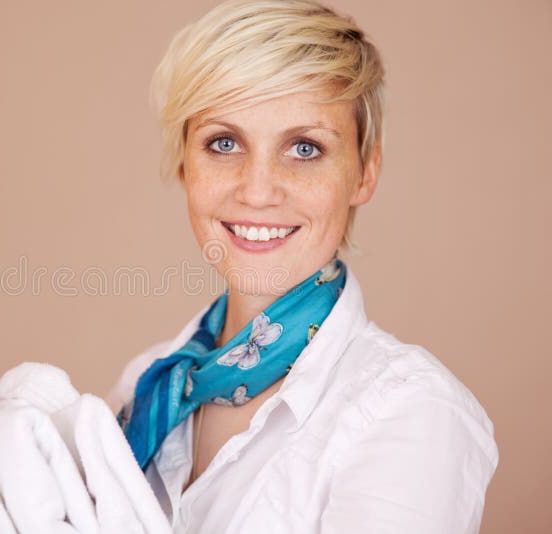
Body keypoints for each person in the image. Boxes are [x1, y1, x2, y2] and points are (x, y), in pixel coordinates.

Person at [106, 1, 499, 532]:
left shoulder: (413, 413)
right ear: (184, 163)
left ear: (364, 173)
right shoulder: (146, 385)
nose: (258, 190)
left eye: (305, 148)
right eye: (224, 143)